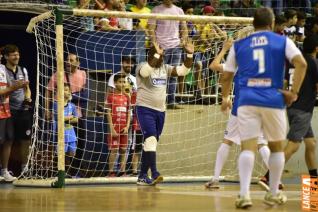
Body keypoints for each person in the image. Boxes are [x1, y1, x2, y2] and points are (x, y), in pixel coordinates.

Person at [221, 8, 307, 208]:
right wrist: (293, 93)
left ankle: (243, 195)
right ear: (272, 22)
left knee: (247, 148)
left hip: (247, 101)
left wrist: (225, 97)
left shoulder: (239, 45)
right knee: (276, 148)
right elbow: (301, 63)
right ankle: (274, 193)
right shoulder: (282, 41)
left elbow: (226, 75)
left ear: (253, 23)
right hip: (273, 99)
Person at [205, 38, 270, 189]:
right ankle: (275, 180)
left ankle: (215, 179)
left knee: (228, 140)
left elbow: (213, 66)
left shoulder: (237, 65)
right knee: (261, 143)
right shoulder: (263, 65)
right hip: (261, 106)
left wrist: (224, 49)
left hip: (241, 107)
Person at [135, 41, 194, 185]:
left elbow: (183, 71)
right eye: (159, 54)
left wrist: (190, 55)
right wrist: (157, 53)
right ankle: (154, 173)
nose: (162, 57)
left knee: (150, 144)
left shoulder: (165, 68)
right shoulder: (142, 66)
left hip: (161, 111)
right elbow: (145, 73)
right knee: (151, 140)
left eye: (162, 55)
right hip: (144, 109)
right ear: (150, 55)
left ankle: (142, 176)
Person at [148, 0, 188, 109]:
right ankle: (158, 101)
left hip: (176, 46)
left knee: (174, 75)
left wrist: (183, 41)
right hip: (161, 47)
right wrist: (155, 45)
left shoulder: (179, 10)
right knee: (159, 75)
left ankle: (171, 101)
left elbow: (184, 28)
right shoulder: (156, 10)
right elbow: (151, 29)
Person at [3, 44, 32, 175]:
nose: (17, 56)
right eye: (13, 54)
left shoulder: (23, 70)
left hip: (23, 111)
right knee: (7, 141)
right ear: (6, 57)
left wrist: (28, 98)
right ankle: (4, 170)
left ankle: (25, 168)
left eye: (18, 54)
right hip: (8, 110)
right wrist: (14, 87)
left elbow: (27, 89)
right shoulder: (2, 71)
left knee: (26, 140)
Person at [0, 64, 28, 182]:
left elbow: (7, 87)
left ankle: (4, 171)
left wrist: (26, 96)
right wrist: (15, 87)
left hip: (5, 110)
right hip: (5, 110)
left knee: (8, 139)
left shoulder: (1, 68)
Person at [46, 53, 87, 119]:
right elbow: (48, 92)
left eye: (71, 60)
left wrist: (71, 96)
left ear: (78, 63)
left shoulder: (83, 74)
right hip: (60, 113)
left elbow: (85, 95)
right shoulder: (58, 74)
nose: (68, 62)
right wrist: (47, 110)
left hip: (77, 113)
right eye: (67, 60)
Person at [106, 73, 131, 177]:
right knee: (114, 149)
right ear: (115, 83)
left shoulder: (127, 97)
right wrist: (112, 129)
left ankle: (122, 171)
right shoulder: (110, 97)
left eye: (124, 82)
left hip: (124, 128)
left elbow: (129, 113)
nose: (122, 84)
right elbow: (108, 113)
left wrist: (127, 126)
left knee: (124, 149)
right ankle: (111, 172)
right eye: (120, 82)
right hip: (114, 129)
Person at [53, 83, 78, 176]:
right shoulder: (56, 104)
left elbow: (76, 119)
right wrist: (69, 117)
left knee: (72, 153)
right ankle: (61, 172)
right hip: (60, 134)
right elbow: (58, 118)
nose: (66, 92)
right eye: (63, 90)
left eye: (67, 90)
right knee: (61, 154)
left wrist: (67, 118)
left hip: (71, 133)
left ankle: (71, 172)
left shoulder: (72, 105)